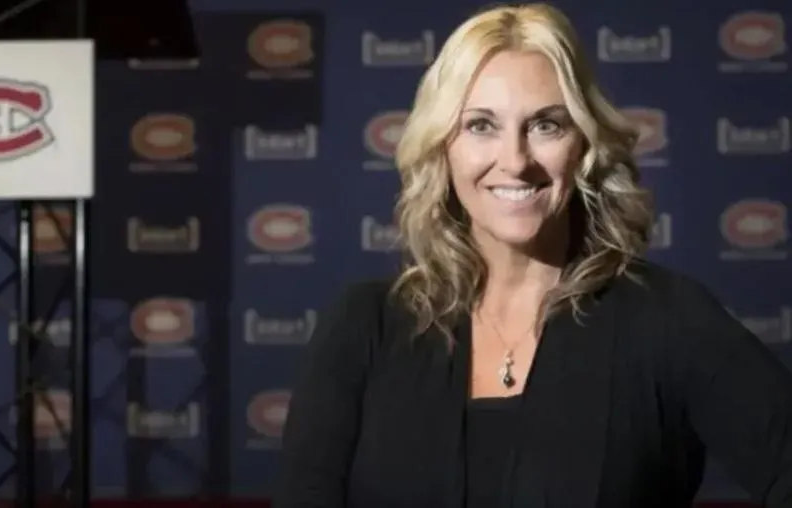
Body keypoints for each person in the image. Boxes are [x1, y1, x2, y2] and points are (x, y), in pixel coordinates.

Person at [273, 3, 792, 508]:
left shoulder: (667, 319)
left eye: (546, 125)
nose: (516, 161)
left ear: (583, 144)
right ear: (442, 147)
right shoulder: (365, 325)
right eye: (481, 125)